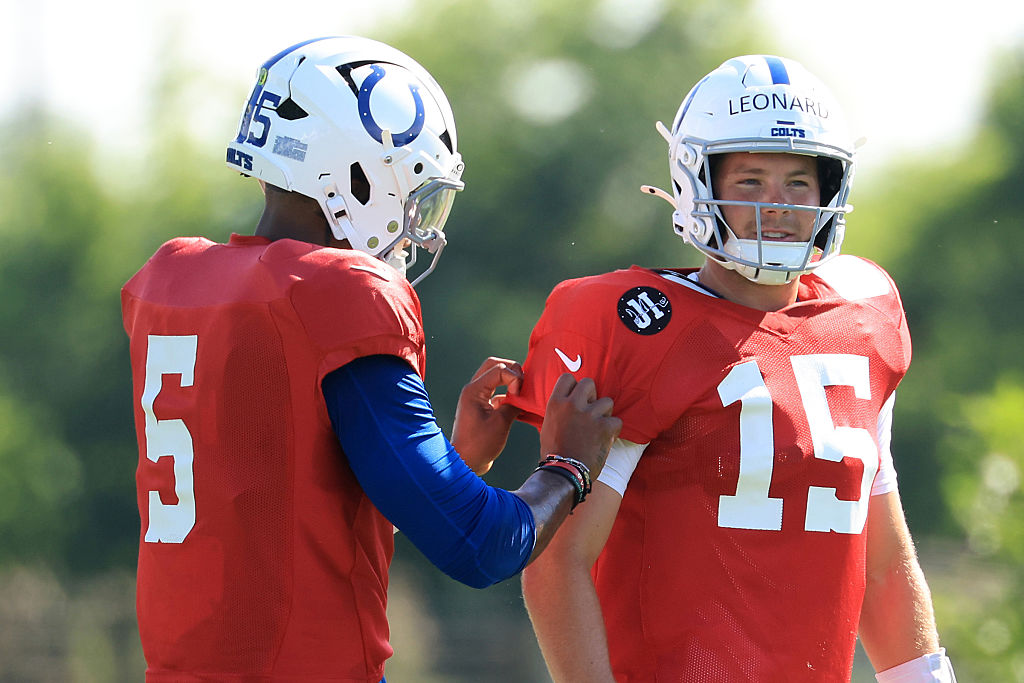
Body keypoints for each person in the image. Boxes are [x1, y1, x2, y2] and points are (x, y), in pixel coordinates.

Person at [121, 36, 620, 683]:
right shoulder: (336, 294)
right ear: (355, 176)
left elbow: (294, 512)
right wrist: (568, 465)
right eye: (418, 195)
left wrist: (458, 461)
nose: (422, 224)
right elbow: (481, 545)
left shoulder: (175, 280)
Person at [509, 55, 957, 682]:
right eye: (749, 181)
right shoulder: (643, 324)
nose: (777, 205)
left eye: (799, 182)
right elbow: (559, 561)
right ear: (697, 182)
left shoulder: (863, 318)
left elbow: (879, 560)